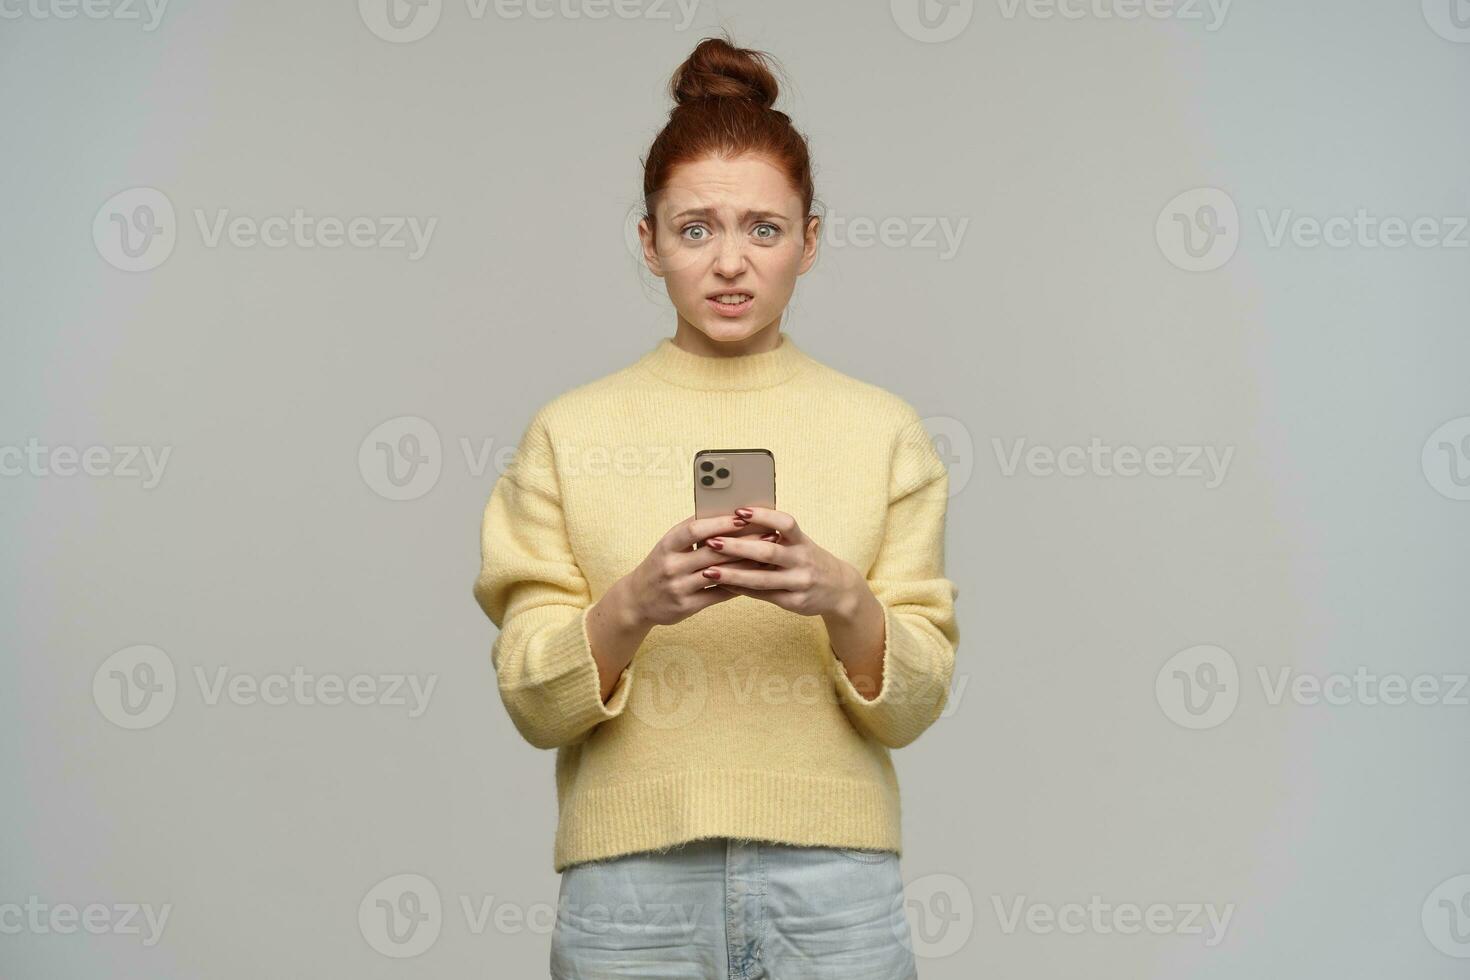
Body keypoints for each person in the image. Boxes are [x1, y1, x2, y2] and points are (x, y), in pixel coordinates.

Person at [472, 31, 959, 980]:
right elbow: (532, 698)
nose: (730, 263)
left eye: (763, 229)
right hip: (629, 892)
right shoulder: (569, 431)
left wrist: (840, 597)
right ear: (650, 242)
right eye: (696, 229)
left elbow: (918, 699)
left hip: (836, 888)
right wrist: (634, 605)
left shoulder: (882, 428)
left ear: (809, 241)